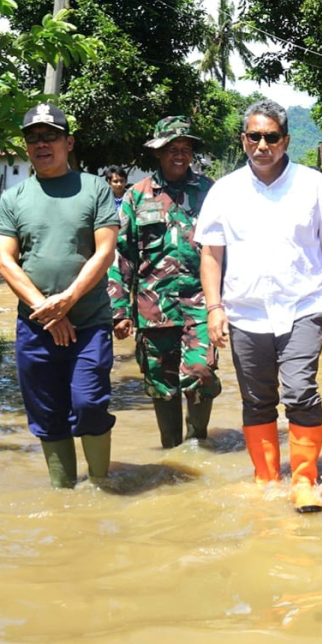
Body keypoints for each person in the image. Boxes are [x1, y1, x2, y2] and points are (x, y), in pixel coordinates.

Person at [195, 100, 322, 512]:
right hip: (246, 311)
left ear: (285, 140)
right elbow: (211, 254)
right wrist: (214, 308)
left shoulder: (314, 185)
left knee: (301, 392)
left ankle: (304, 479)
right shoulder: (224, 190)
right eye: (254, 136)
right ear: (243, 139)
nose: (262, 145)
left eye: (271, 137)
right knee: (257, 399)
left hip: (303, 304)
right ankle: (266, 479)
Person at [0, 103, 121, 489]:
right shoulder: (14, 198)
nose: (41, 144)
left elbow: (105, 252)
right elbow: (5, 260)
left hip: (89, 323)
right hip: (35, 327)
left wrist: (65, 301)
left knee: (88, 405)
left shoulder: (95, 188)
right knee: (47, 415)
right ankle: (63, 496)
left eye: (50, 136)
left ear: (68, 142)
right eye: (33, 138)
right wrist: (47, 311)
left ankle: (101, 486)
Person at [109, 116, 221, 448]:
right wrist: (119, 310)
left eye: (186, 149)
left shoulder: (209, 192)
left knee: (201, 373)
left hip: (200, 305)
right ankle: (172, 452)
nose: (180, 155)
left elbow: (227, 248)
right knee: (161, 384)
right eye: (172, 149)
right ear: (158, 153)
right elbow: (122, 256)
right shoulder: (136, 197)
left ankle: (197, 444)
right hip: (152, 308)